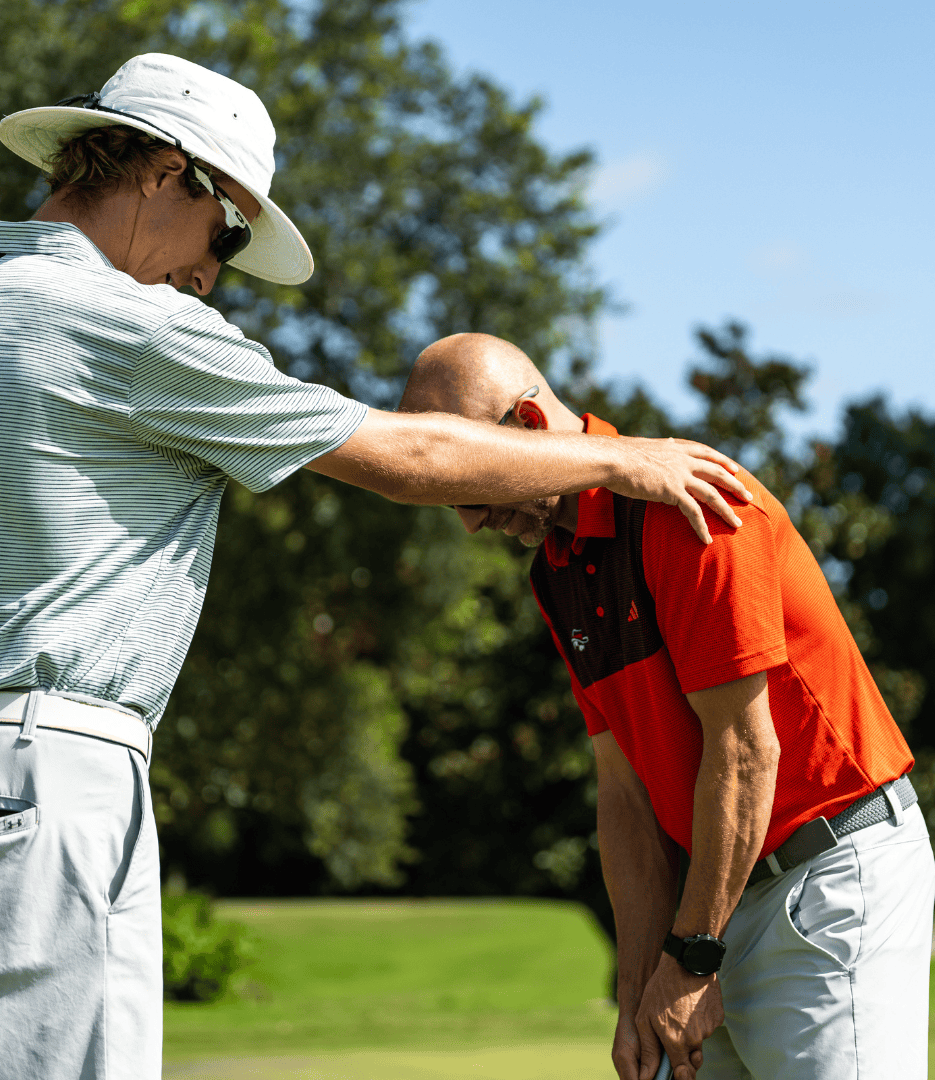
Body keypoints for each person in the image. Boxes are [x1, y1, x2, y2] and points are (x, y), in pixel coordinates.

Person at [0, 53, 750, 1080]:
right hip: (43, 773)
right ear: (164, 171)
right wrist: (620, 459)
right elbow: (408, 457)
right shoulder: (128, 323)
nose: (213, 274)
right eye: (227, 230)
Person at [398, 332, 935, 1080]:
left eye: (475, 487)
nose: (470, 522)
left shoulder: (687, 505)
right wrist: (635, 996)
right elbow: (626, 795)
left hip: (828, 883)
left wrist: (691, 958)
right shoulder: (555, 572)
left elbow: (746, 753)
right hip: (716, 901)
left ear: (529, 423)